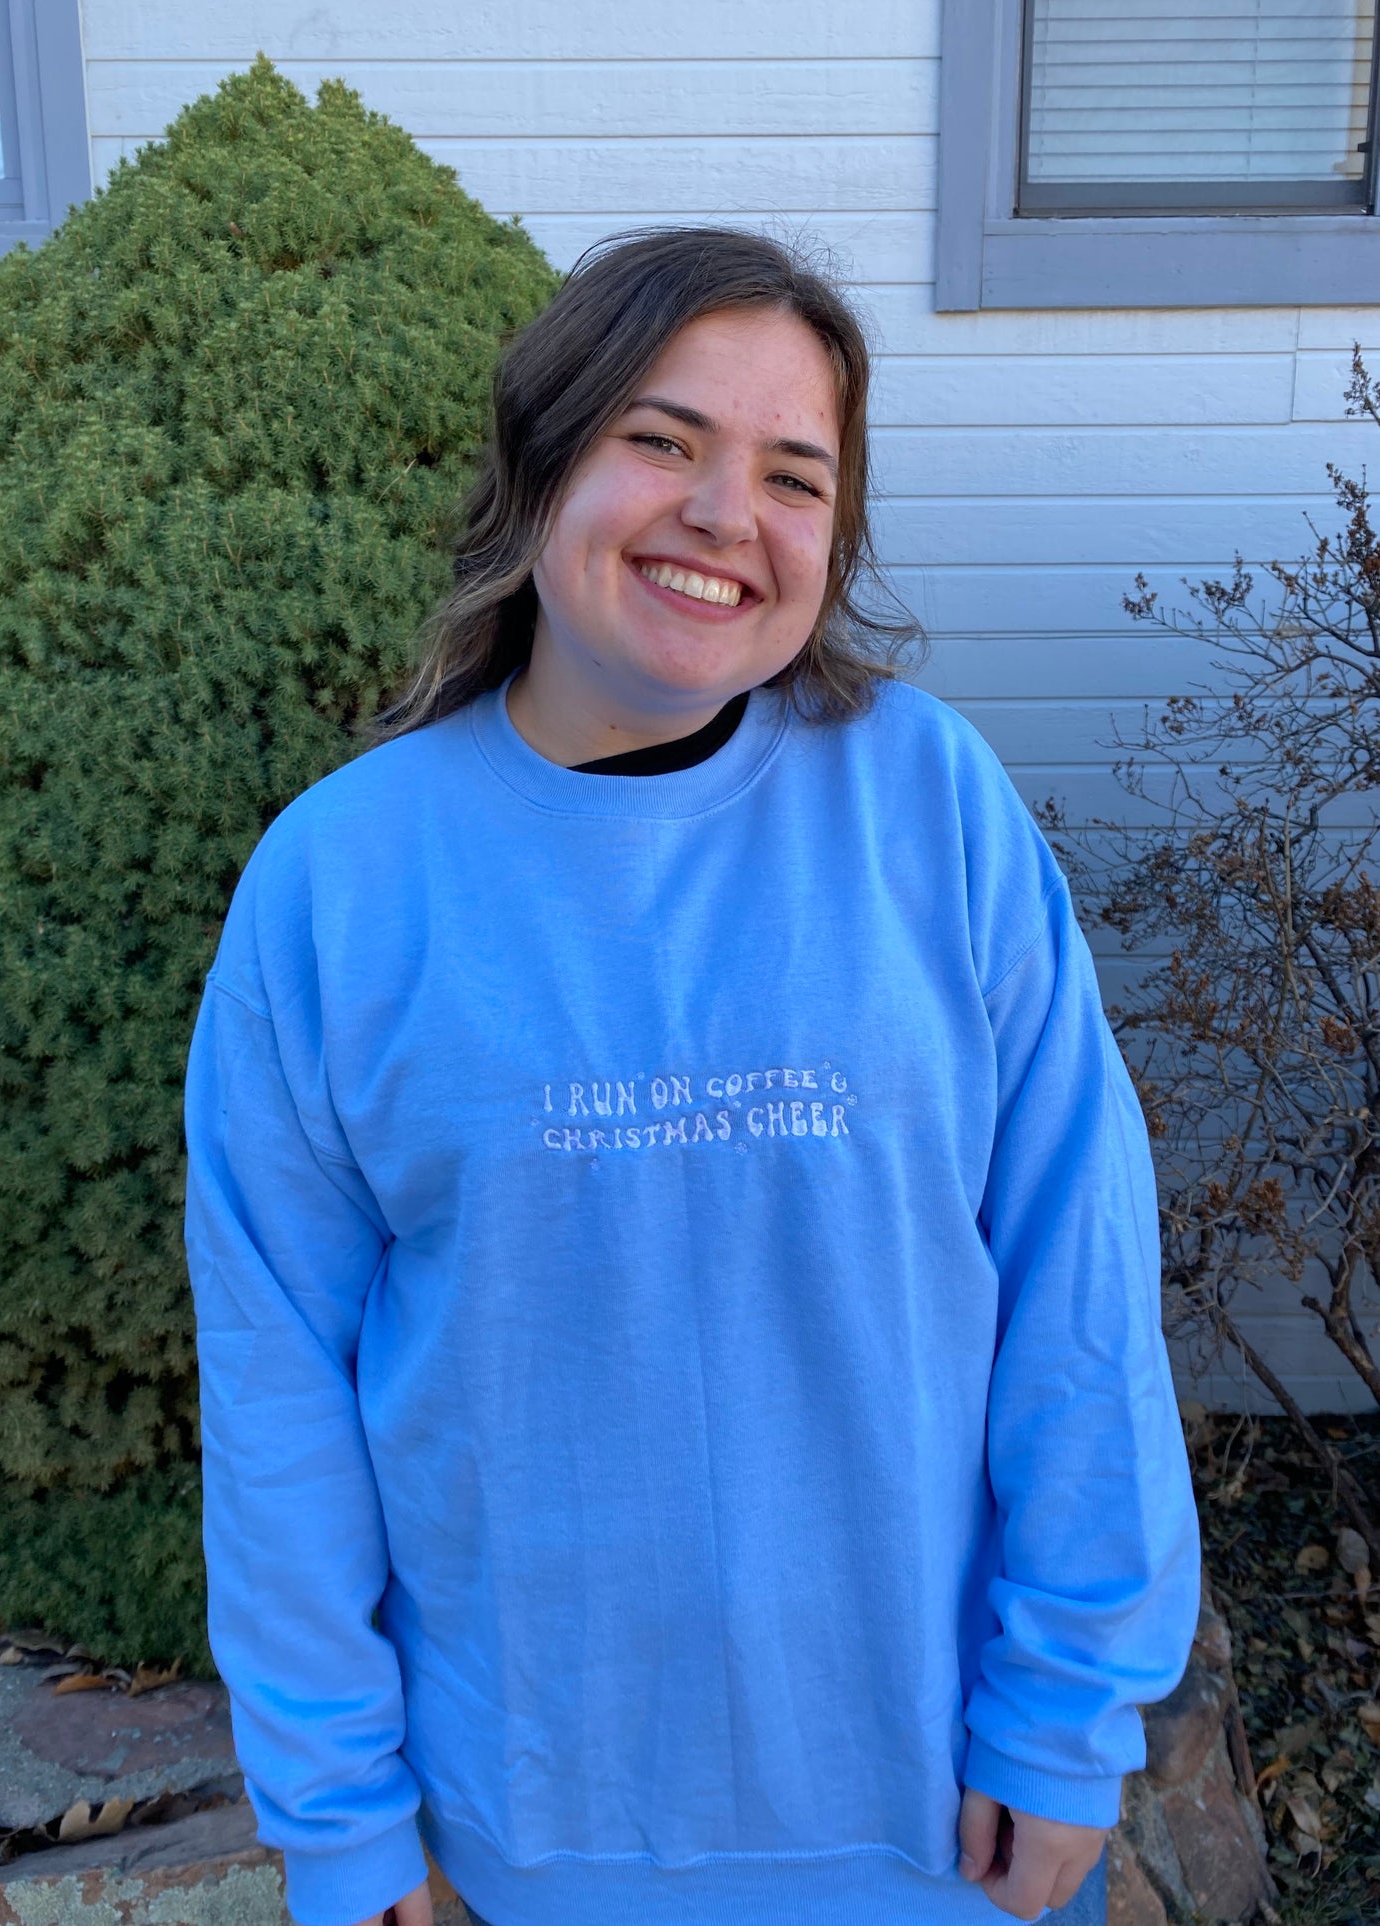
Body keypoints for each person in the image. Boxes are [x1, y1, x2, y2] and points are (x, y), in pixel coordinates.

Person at [183, 226, 1201, 1926]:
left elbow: (1077, 1290)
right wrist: (340, 1817)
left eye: (793, 475)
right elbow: (280, 1390)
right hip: (531, 1842)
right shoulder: (338, 883)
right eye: (662, 440)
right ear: (541, 465)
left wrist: (1065, 1712)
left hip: (938, 1833)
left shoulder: (931, 810)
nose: (727, 513)